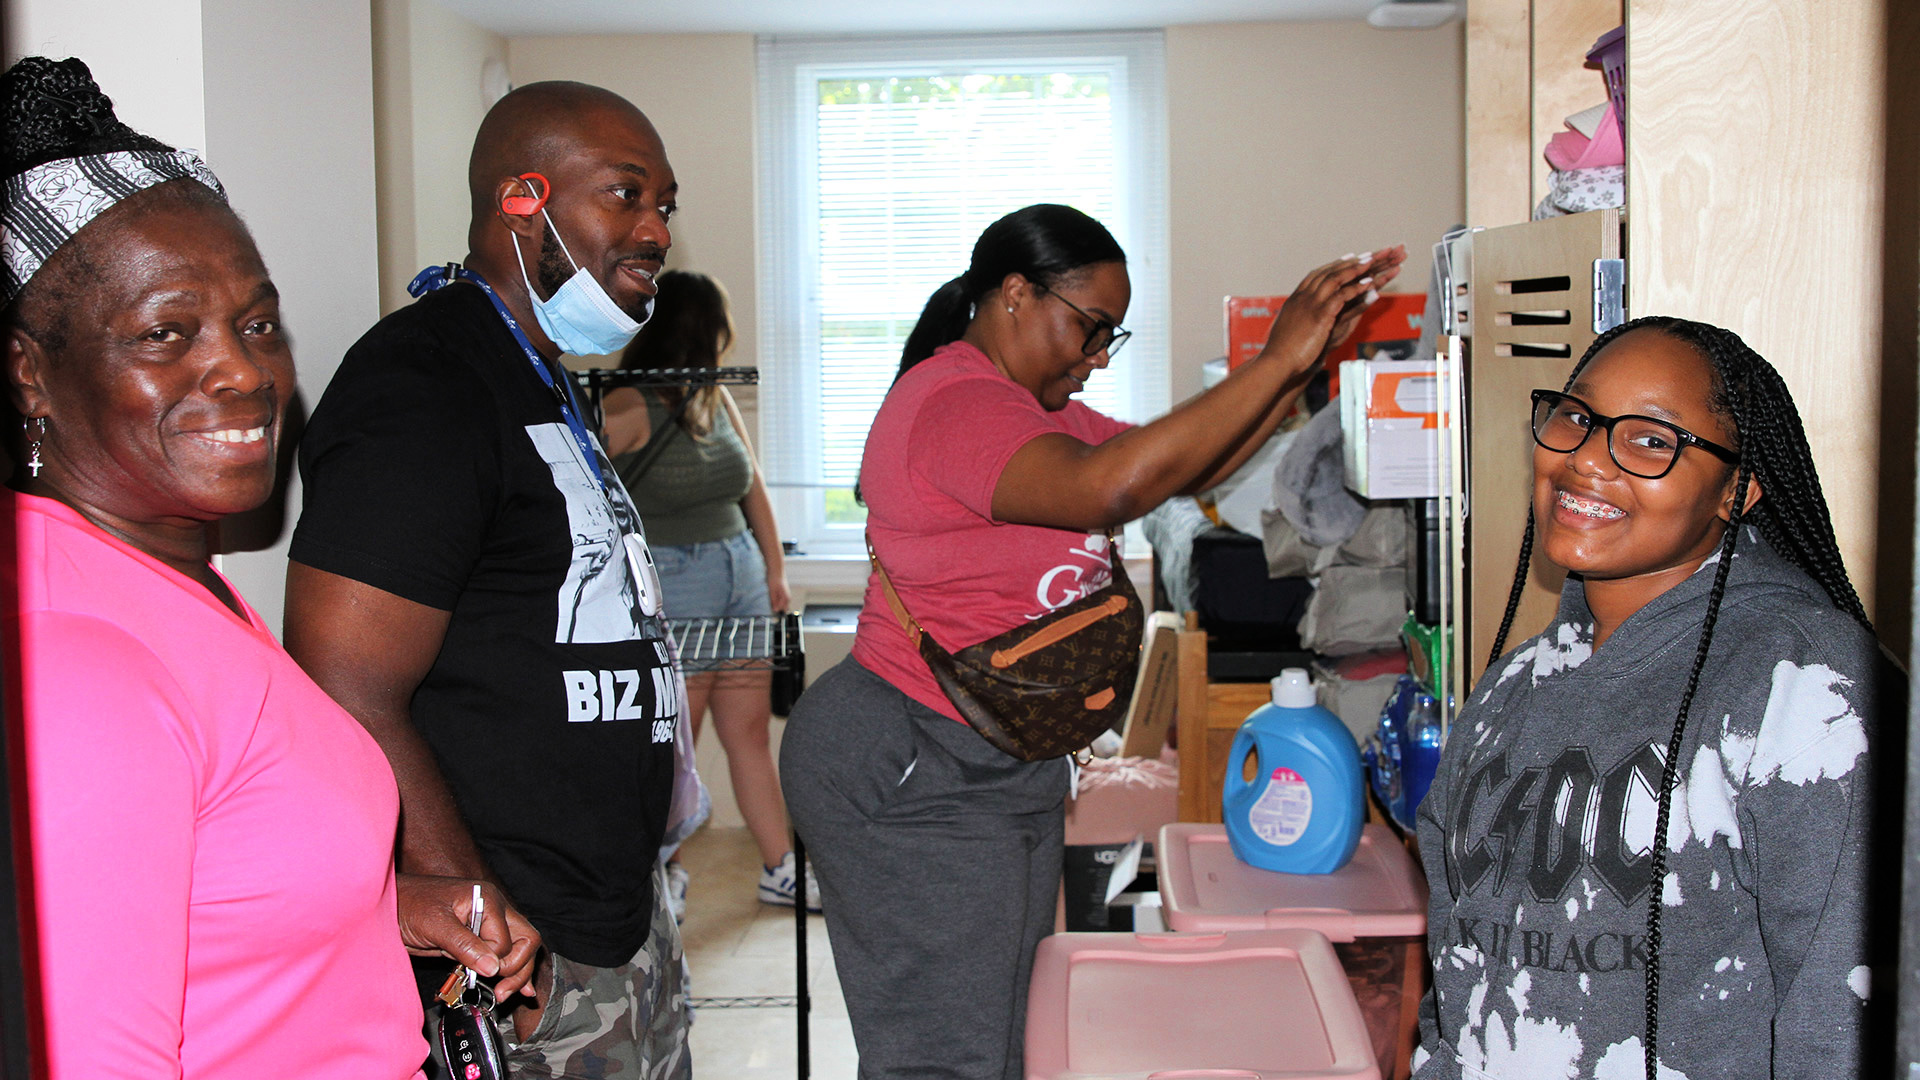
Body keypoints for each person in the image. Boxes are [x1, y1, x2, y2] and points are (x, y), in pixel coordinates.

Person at [0, 56, 538, 1078]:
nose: (244, 369)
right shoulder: (77, 660)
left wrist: (385, 909)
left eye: (255, 324)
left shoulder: (173, 582)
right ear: (31, 371)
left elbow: (204, 896)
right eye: (169, 332)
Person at [779, 201, 1404, 1077]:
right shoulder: (954, 405)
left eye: (1113, 335)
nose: (1099, 355)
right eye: (1089, 326)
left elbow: (1190, 468)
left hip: (1002, 752)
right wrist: (1273, 358)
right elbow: (1106, 490)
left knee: (1001, 1036)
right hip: (913, 761)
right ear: (1012, 294)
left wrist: (1301, 367)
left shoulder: (1033, 412)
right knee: (945, 1057)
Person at [283, 80, 690, 1079]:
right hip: (517, 945)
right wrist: (478, 924)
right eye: (624, 196)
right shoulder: (421, 385)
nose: (655, 231)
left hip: (609, 913)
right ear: (521, 198)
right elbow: (344, 681)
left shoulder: (537, 372)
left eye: (666, 205)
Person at [1411, 317, 1897, 1079]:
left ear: (1736, 490)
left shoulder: (1809, 692)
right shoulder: (1514, 685)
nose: (1588, 460)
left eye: (1649, 440)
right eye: (1576, 417)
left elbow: (1847, 1020)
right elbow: (1458, 985)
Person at [601, 269, 812, 913]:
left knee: (747, 732)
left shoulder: (711, 396)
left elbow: (752, 487)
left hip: (739, 572)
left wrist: (775, 574)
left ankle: (780, 867)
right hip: (675, 579)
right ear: (697, 330)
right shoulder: (627, 404)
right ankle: (665, 871)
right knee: (676, 741)